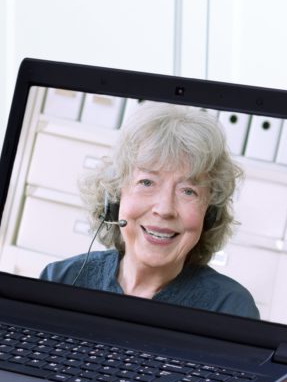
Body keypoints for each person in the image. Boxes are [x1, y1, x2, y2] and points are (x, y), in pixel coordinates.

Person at [40, 102, 260, 319]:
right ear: (115, 197)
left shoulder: (231, 308)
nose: (165, 209)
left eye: (188, 191)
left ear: (209, 214)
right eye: (147, 183)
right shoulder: (61, 279)